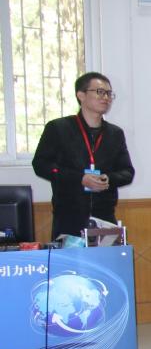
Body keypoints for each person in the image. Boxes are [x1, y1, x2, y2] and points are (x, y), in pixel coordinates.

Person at [32, 72, 135, 239]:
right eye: (100, 92)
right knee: (69, 258)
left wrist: (107, 179)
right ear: (81, 95)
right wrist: (80, 179)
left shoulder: (115, 133)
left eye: (109, 93)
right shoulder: (58, 128)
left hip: (104, 217)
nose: (106, 97)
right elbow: (41, 165)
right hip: (68, 218)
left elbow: (127, 172)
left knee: (108, 257)